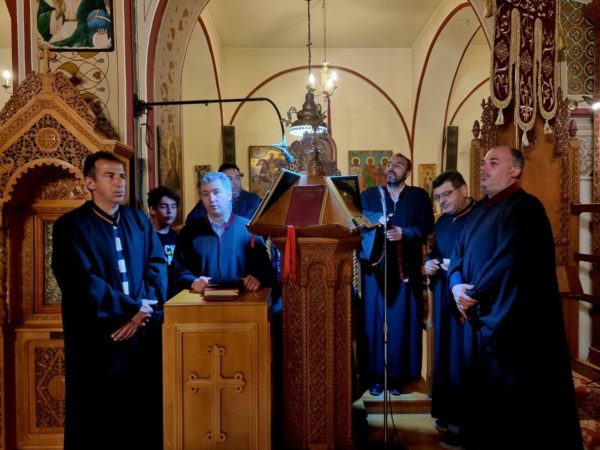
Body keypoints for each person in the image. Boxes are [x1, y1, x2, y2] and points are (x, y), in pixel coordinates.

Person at [448, 146, 583, 449]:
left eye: (493, 162)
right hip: (476, 320)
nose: (483, 167)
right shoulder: (479, 210)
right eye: (483, 162)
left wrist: (473, 295)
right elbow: (457, 255)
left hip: (509, 327)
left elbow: (508, 261)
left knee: (511, 418)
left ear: (515, 170)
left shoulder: (526, 209)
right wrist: (456, 287)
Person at [52, 151, 167, 450]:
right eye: (110, 176)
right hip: (100, 339)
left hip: (141, 335)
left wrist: (142, 312)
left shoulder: (139, 221)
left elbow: (157, 267)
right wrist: (130, 310)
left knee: (143, 417)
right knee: (99, 422)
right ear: (90, 182)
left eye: (123, 176)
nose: (119, 183)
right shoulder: (70, 226)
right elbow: (80, 281)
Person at [360, 153, 434, 396]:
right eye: (389, 164)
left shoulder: (418, 196)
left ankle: (396, 376)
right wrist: (376, 221)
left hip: (405, 270)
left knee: (401, 323)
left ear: (408, 172)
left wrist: (405, 233)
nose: (391, 168)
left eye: (398, 165)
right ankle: (374, 376)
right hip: (375, 270)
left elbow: (426, 227)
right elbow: (357, 219)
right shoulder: (370, 195)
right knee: (372, 324)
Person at [424, 170, 476, 449]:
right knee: (444, 357)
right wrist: (429, 265)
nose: (442, 201)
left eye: (446, 194)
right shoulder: (442, 222)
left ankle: (462, 424)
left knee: (462, 363)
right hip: (445, 298)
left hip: (469, 302)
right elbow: (434, 252)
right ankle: (445, 413)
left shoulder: (480, 218)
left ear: (463, 189)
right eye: (438, 197)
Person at [172, 171, 274, 295]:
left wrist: (258, 280)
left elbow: (266, 272)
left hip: (242, 301)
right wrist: (193, 281)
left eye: (216, 192)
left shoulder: (249, 230)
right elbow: (178, 271)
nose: (211, 199)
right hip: (202, 302)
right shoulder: (189, 232)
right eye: (205, 194)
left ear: (229, 195)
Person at [185, 163, 262, 223]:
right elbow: (191, 222)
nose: (235, 182)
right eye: (229, 179)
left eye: (237, 178)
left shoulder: (253, 200)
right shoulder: (211, 201)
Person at [147, 185, 179, 265]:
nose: (170, 211)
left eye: (173, 207)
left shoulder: (177, 238)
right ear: (152, 209)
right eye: (164, 207)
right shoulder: (147, 237)